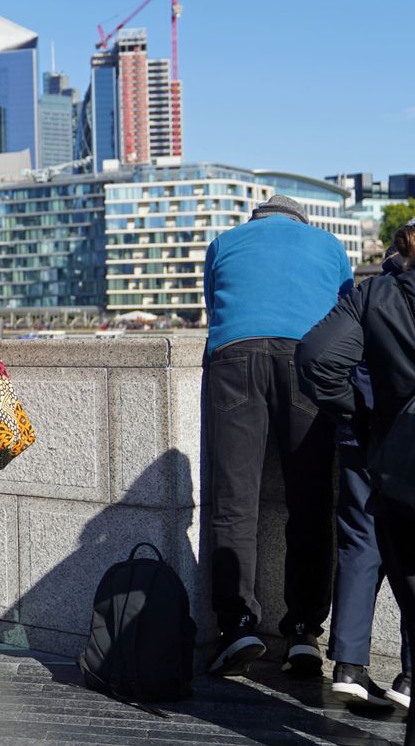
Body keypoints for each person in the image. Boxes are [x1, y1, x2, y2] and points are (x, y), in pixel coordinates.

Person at [202, 194, 352, 677]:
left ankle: (237, 625)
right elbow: (345, 317)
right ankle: (305, 631)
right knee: (310, 500)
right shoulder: (328, 245)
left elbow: (214, 310)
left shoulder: (224, 242)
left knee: (233, 501)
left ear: (256, 220)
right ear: (300, 222)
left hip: (235, 357)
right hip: (308, 359)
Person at [299, 223, 415, 745]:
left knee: (361, 544)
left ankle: (348, 663)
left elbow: (317, 359)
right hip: (384, 445)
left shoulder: (372, 293)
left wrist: (366, 417)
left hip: (384, 448)